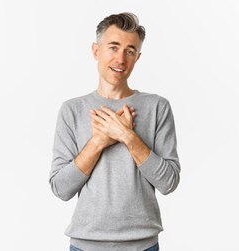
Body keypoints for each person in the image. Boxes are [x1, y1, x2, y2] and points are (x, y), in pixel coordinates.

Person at [49, 12, 180, 251]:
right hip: (85, 244)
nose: (120, 58)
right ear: (96, 50)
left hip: (143, 245)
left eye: (130, 51)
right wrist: (99, 141)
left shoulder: (157, 107)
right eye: (113, 47)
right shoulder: (72, 110)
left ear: (137, 57)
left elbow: (169, 182)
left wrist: (128, 136)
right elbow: (61, 188)